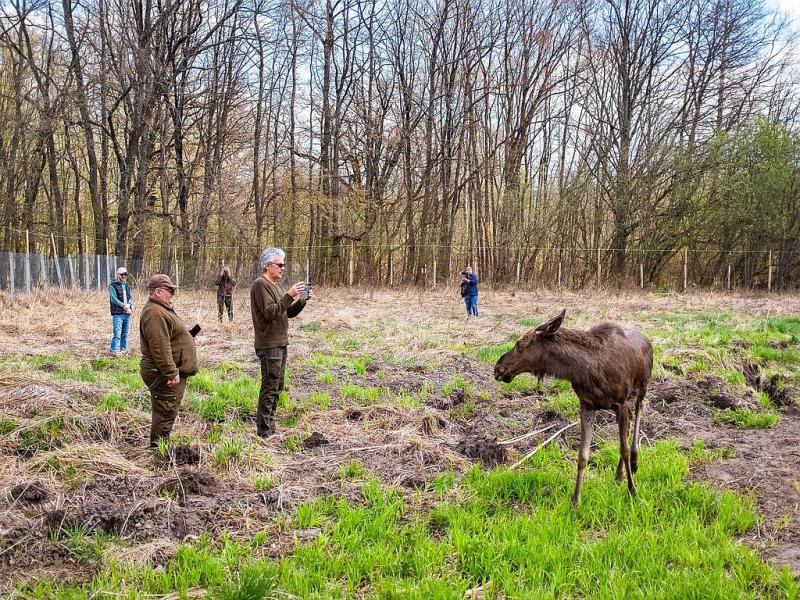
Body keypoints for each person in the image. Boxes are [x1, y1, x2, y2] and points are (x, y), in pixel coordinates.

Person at [250, 248, 311, 437]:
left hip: (280, 343)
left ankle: (270, 427)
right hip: (269, 344)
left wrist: (301, 301)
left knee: (277, 387)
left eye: (284, 265)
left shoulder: (275, 286)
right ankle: (264, 431)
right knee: (270, 387)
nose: (283, 268)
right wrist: (289, 295)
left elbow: (286, 313)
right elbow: (270, 313)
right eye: (280, 265)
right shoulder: (260, 285)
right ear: (268, 266)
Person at [139, 274, 198, 448]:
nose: (173, 294)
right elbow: (159, 346)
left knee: (166, 411)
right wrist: (170, 372)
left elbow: (167, 337)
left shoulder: (160, 310)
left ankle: (160, 447)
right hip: (162, 373)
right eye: (170, 291)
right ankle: (158, 451)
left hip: (167, 370)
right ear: (158, 292)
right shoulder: (155, 313)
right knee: (165, 412)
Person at [109, 266, 134, 354]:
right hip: (118, 314)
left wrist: (129, 305)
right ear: (118, 274)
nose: (124, 276)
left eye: (125, 274)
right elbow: (113, 299)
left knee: (125, 334)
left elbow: (131, 297)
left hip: (127, 314)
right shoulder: (112, 285)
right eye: (122, 274)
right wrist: (124, 306)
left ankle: (123, 350)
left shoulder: (127, 285)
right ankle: (113, 351)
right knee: (117, 334)